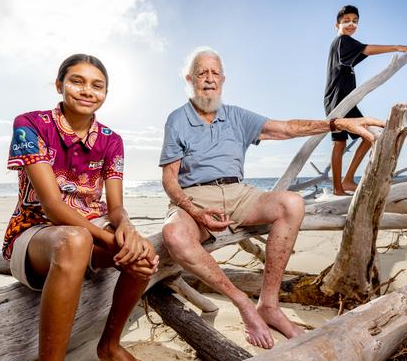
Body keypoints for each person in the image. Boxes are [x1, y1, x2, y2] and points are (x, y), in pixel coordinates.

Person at [159, 47, 384, 349]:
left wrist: (339, 123)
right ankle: (242, 303)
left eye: (215, 73)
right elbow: (169, 179)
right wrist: (193, 211)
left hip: (239, 193)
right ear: (190, 79)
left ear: (223, 80)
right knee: (173, 233)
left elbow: (287, 129)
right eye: (202, 73)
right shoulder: (177, 119)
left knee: (291, 203)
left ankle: (269, 304)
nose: (209, 79)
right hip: (195, 196)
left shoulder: (236, 116)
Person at [3, 54, 159, 361]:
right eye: (77, 81)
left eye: (97, 86)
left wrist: (126, 226)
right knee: (75, 240)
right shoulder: (29, 124)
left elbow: (115, 207)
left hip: (90, 229)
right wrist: (110, 240)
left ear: (105, 94)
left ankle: (110, 346)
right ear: (59, 84)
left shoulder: (112, 140)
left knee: (145, 254)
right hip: (36, 233)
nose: (87, 91)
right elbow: (52, 205)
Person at [325, 5, 407, 195]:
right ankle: (343, 183)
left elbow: (362, 52)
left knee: (343, 142)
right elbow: (367, 49)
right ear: (336, 25)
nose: (351, 24)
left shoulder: (343, 47)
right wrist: (398, 47)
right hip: (340, 102)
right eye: (346, 20)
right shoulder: (343, 41)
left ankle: (343, 185)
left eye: (355, 21)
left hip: (339, 100)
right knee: (366, 137)